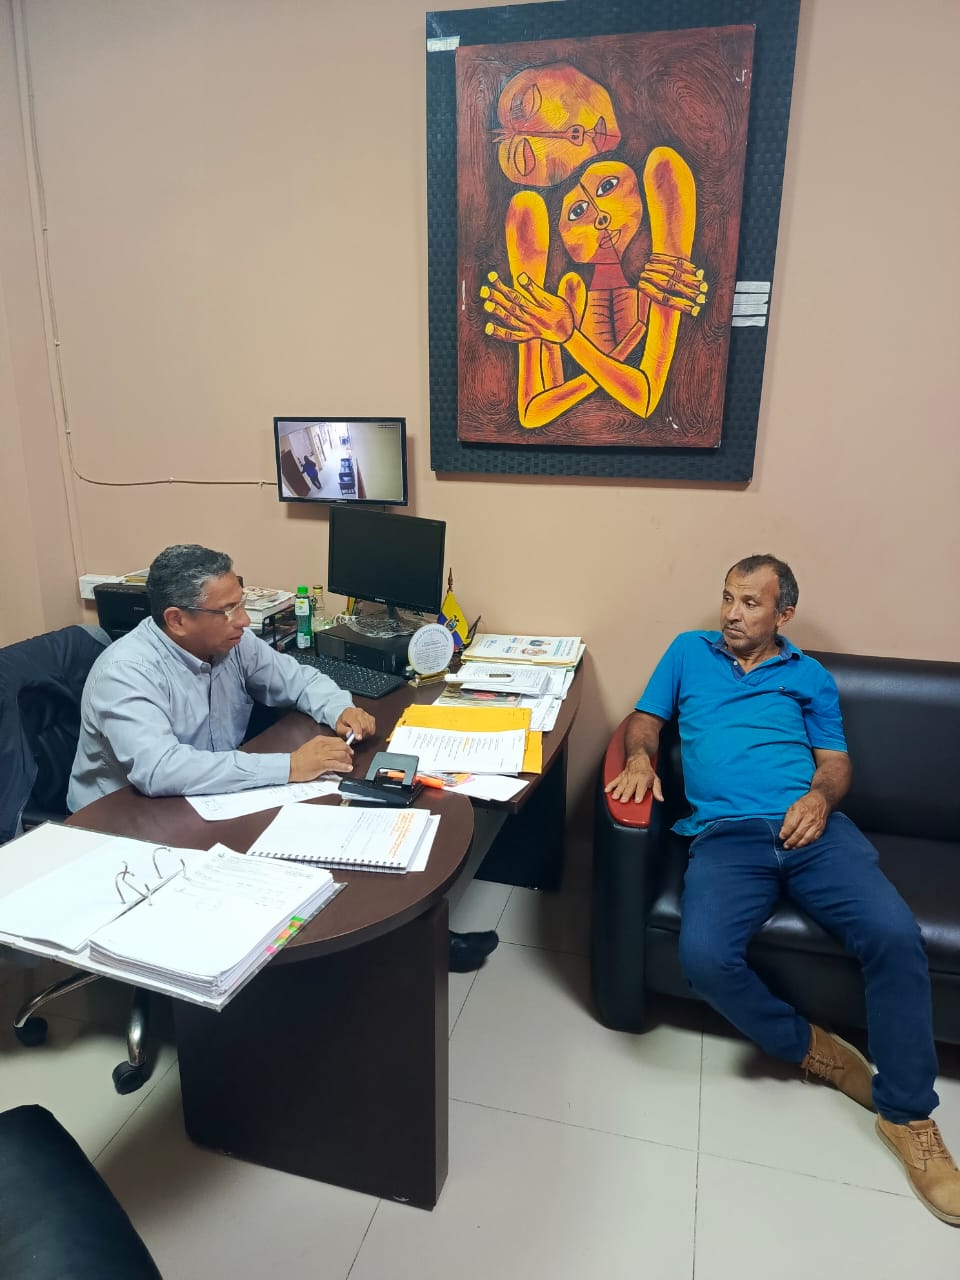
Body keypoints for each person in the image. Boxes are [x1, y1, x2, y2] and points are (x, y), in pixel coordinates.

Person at [606, 554, 960, 1225]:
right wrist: (641, 757)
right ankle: (810, 1047)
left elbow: (835, 763)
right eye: (727, 598)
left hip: (812, 830)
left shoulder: (809, 676)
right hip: (726, 835)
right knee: (704, 957)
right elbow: (645, 719)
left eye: (750, 602)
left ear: (783, 614)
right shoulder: (688, 652)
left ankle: (908, 1116)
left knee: (893, 934)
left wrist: (820, 800)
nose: (732, 613)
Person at [68, 544, 497, 972]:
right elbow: (161, 769)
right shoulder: (127, 672)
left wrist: (339, 708)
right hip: (128, 828)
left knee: (343, 829)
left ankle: (413, 943)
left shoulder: (231, 643)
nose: (243, 620)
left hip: (209, 797)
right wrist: (290, 766)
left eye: (241, 603)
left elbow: (299, 679)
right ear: (177, 620)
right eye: (228, 610)